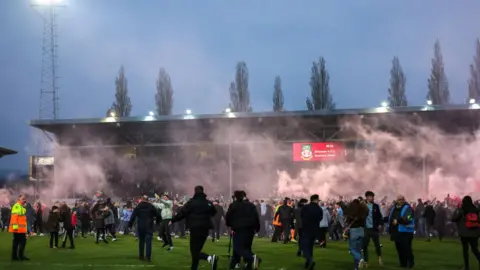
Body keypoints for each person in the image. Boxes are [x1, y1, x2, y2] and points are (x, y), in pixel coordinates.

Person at [171, 185, 219, 270]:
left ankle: (210, 258)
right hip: (205, 229)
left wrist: (173, 220)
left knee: (194, 251)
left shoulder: (191, 202)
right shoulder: (208, 202)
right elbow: (214, 212)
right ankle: (194, 268)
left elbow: (182, 213)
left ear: (195, 192)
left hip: (195, 228)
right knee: (197, 250)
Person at [225, 190, 262, 270]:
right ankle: (244, 265)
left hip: (238, 229)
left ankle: (253, 258)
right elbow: (256, 217)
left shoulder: (233, 205)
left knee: (238, 248)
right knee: (247, 247)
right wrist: (257, 227)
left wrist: (229, 225)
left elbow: (228, 217)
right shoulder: (251, 205)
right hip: (250, 229)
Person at [128, 195, 162, 263]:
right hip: (149, 226)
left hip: (141, 226)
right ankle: (148, 257)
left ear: (142, 199)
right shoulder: (151, 206)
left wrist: (130, 225)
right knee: (148, 242)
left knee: (141, 241)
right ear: (148, 199)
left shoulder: (138, 206)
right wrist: (158, 222)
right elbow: (158, 215)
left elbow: (133, 216)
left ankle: (141, 256)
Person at [451, 195, 480, 270]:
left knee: (465, 251)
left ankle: (467, 267)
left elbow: (454, 219)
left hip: (465, 233)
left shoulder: (462, 210)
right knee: (475, 250)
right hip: (474, 233)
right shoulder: (475, 210)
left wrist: (456, 210)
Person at [387, 194, 415, 268]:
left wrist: (398, 221)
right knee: (399, 248)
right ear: (397, 200)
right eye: (399, 199)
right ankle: (403, 264)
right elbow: (390, 217)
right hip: (396, 231)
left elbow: (408, 218)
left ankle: (411, 262)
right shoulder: (394, 208)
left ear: (404, 200)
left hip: (406, 231)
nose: (401, 201)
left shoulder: (408, 208)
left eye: (402, 199)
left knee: (406, 248)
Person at [300, 194, 323, 270]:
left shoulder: (305, 207)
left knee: (305, 246)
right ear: (316, 200)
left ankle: (310, 260)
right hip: (315, 229)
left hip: (306, 229)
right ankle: (308, 262)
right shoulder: (319, 209)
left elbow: (302, 216)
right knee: (310, 246)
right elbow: (320, 218)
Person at [345, 198, 369, 270]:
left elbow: (348, 220)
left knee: (352, 249)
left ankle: (360, 259)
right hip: (361, 230)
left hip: (354, 230)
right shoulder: (363, 210)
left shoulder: (352, 210)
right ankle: (356, 267)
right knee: (358, 249)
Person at [362, 191, 384, 267]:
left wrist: (380, 224)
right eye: (371, 196)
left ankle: (379, 258)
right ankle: (366, 261)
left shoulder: (375, 206)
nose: (372, 198)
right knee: (364, 245)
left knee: (377, 245)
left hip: (374, 228)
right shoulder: (363, 206)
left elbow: (379, 216)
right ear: (367, 197)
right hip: (366, 229)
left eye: (373, 196)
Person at [10, 194, 29, 261]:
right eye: (23, 199)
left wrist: (24, 206)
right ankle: (20, 256)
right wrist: (15, 227)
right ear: (19, 199)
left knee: (16, 242)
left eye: (25, 199)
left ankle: (15, 256)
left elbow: (22, 216)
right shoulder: (17, 206)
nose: (24, 200)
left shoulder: (20, 206)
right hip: (18, 229)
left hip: (20, 229)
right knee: (22, 242)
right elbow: (15, 217)